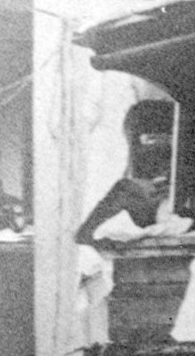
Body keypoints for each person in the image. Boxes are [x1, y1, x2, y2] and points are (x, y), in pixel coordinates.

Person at [74, 99, 180, 247]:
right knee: (126, 188)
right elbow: (84, 235)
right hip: (163, 211)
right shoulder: (132, 187)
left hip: (176, 210)